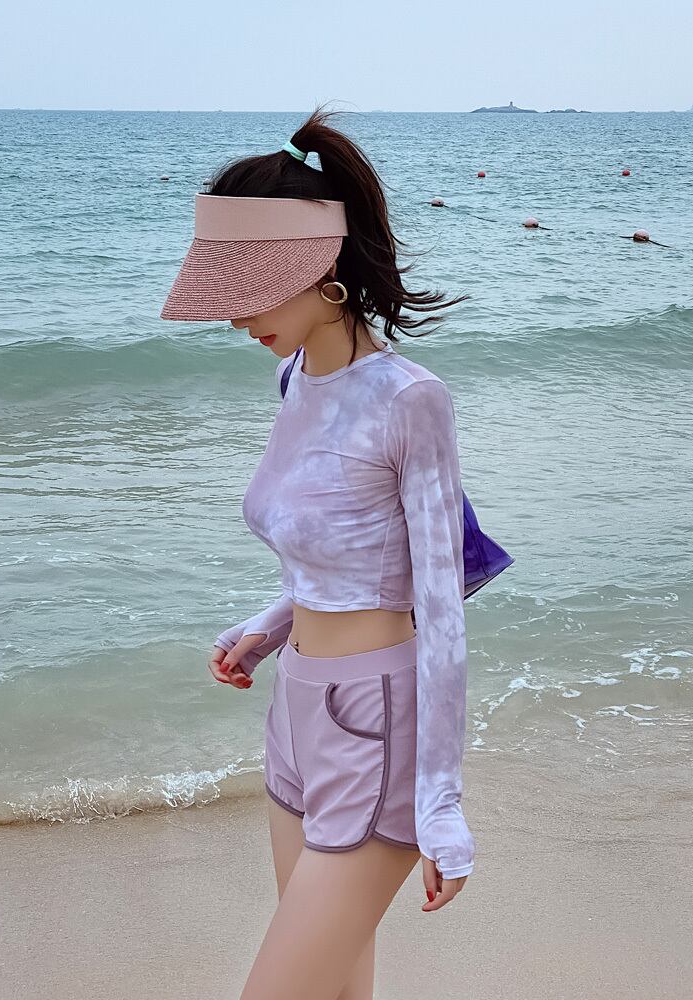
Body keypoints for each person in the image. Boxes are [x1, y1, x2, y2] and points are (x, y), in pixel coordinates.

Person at [161, 103, 474, 1000]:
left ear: (317, 269)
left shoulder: (410, 400)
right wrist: (269, 626)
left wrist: (442, 803)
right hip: (298, 711)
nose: (235, 319)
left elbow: (441, 604)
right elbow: (341, 550)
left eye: (249, 292)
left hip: (380, 720)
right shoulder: (292, 376)